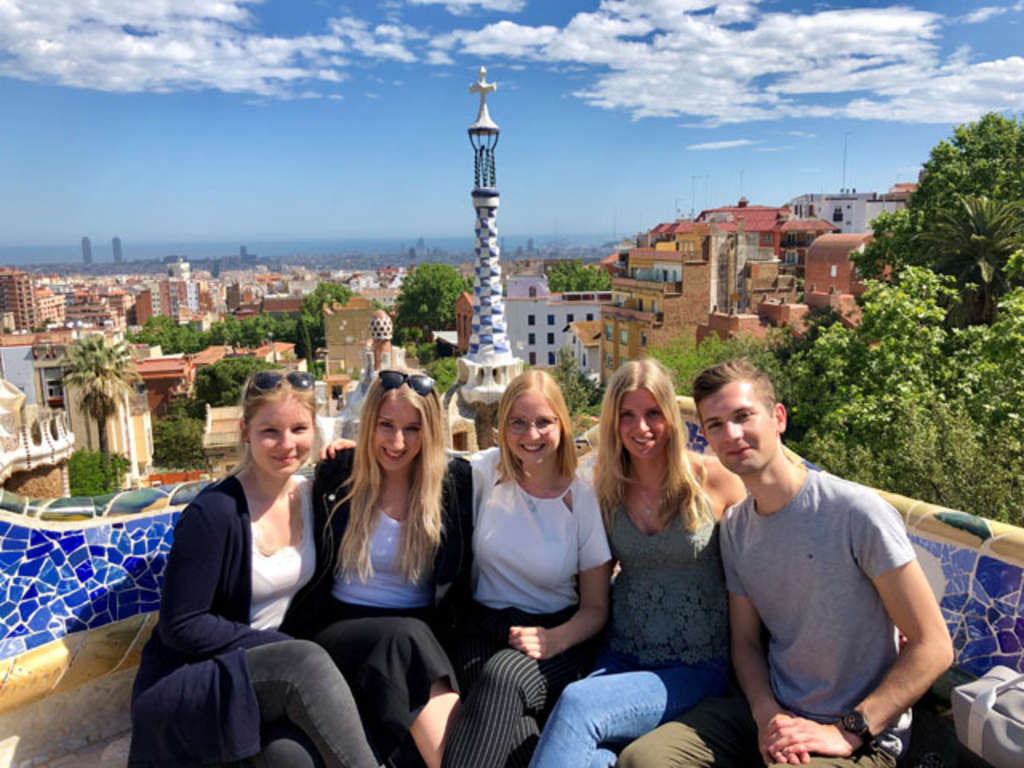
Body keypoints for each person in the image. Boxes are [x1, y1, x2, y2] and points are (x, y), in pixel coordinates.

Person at [618, 359, 953, 768]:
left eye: (743, 416)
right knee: (644, 759)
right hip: (774, 712)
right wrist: (767, 715)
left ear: (778, 418)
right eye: (716, 424)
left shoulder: (855, 512)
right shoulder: (736, 527)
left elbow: (934, 645)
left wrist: (849, 730)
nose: (732, 434)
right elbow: (745, 643)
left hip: (860, 735)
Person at [129, 371, 379, 768]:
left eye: (299, 429)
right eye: (270, 432)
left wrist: (352, 460)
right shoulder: (214, 513)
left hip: (267, 676)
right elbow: (182, 624)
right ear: (246, 432)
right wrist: (280, 646)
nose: (287, 444)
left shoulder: (313, 496)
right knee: (306, 661)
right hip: (196, 676)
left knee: (291, 758)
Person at [528, 359, 747, 768]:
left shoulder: (714, 480)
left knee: (578, 704)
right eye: (627, 415)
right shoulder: (606, 490)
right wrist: (553, 638)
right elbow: (593, 598)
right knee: (597, 760)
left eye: (652, 413)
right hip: (623, 657)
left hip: (696, 667)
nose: (640, 427)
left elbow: (765, 556)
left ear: (670, 416)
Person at [282, 369, 472, 768]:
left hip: (419, 633)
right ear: (369, 422)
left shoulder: (453, 483)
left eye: (412, 429)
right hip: (343, 627)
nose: (397, 442)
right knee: (405, 638)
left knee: (409, 648)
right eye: (386, 426)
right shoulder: (340, 473)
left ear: (430, 431)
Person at [441, 369, 613, 768]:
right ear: (502, 427)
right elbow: (415, 463)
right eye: (518, 422)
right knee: (515, 728)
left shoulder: (580, 498)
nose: (530, 435)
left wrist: (554, 640)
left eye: (543, 422)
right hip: (484, 628)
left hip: (556, 634)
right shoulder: (485, 474)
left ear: (562, 425)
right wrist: (351, 451)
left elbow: (596, 608)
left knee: (503, 677)